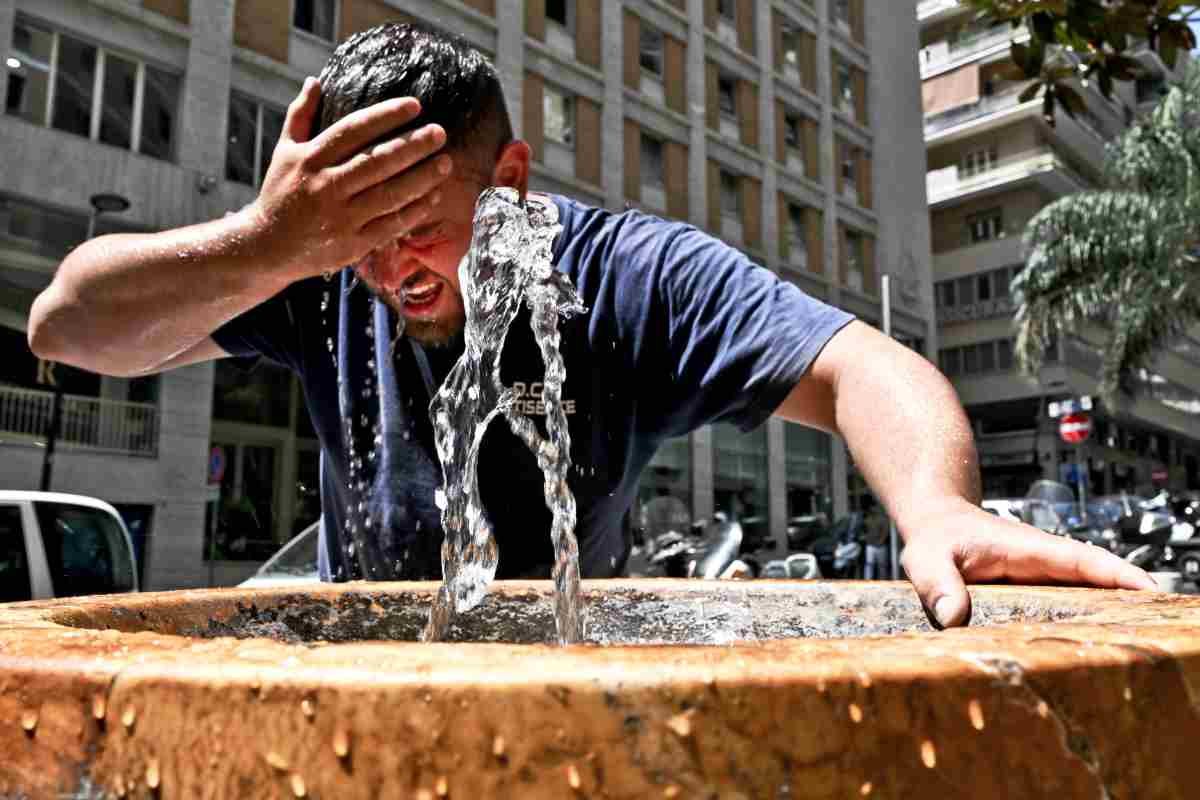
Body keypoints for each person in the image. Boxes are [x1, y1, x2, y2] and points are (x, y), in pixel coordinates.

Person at [27, 22, 1156, 629]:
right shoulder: (320, 261)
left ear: (510, 180)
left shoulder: (623, 277)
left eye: (422, 224)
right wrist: (274, 241)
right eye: (358, 233)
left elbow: (862, 362)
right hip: (358, 668)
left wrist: (938, 506)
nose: (391, 266)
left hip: (572, 673)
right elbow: (65, 326)